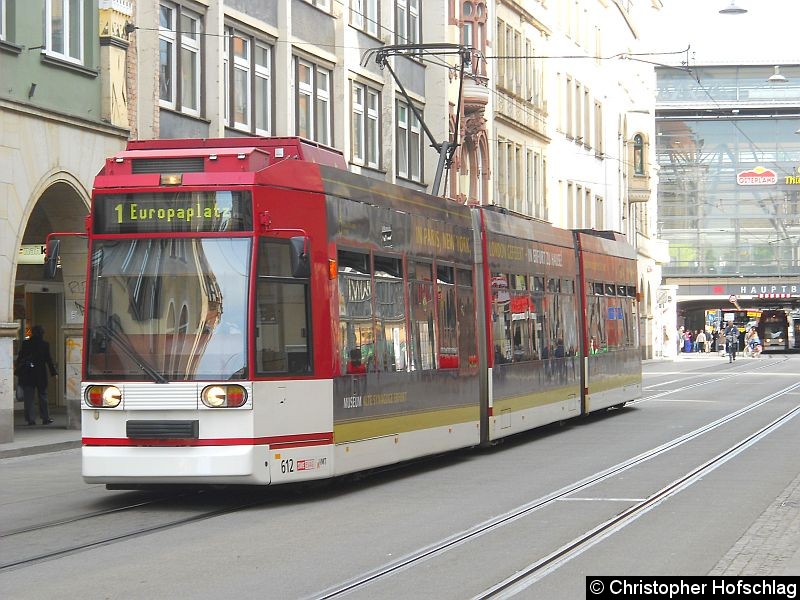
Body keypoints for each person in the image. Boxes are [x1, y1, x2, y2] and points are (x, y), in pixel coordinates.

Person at [15, 325, 58, 425]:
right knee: (43, 396)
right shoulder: (45, 344)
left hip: (28, 374)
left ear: (32, 333)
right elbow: (49, 360)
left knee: (29, 398)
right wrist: (54, 373)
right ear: (42, 333)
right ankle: (45, 418)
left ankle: (31, 419)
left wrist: (18, 370)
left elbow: (20, 358)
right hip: (40, 374)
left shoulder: (26, 343)